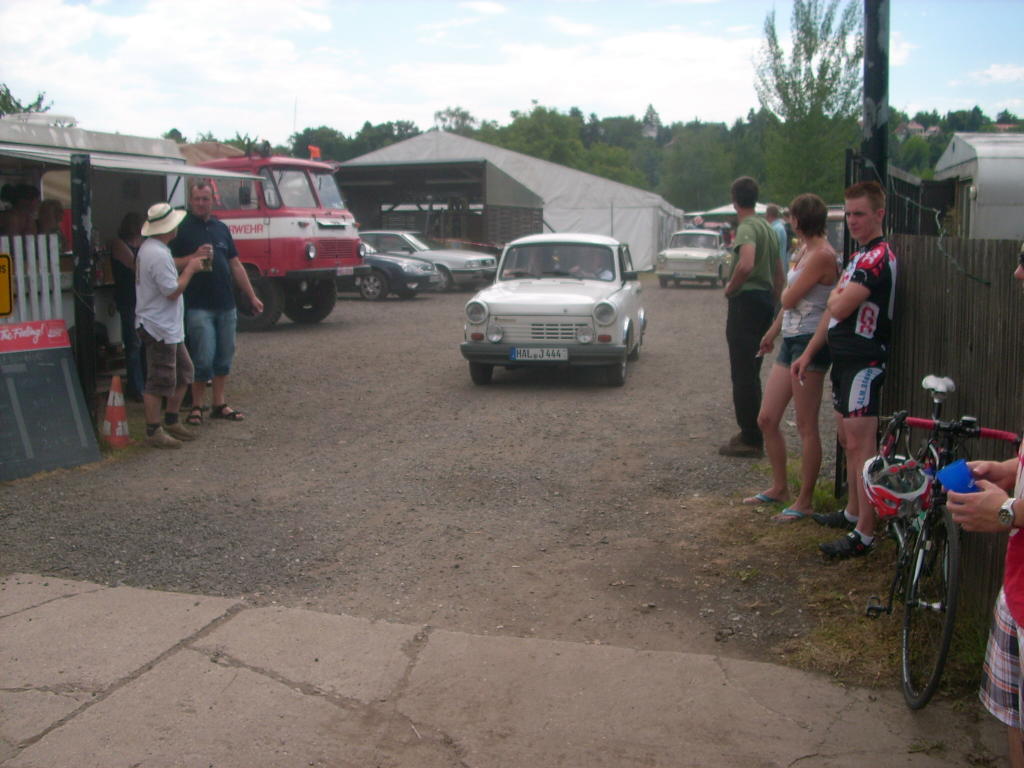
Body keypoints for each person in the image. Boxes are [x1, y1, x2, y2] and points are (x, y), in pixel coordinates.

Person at [946, 242, 1024, 768]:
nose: (1016, 272)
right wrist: (1009, 470)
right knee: (1016, 726)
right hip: (1018, 590)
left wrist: (1008, 511)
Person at [793, 181, 896, 558]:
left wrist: (838, 295)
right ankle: (853, 511)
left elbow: (838, 306)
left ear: (879, 214)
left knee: (860, 445)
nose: (852, 221)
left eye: (860, 214)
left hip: (864, 359)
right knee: (846, 438)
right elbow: (832, 310)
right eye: (849, 213)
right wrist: (809, 352)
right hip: (844, 358)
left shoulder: (877, 257)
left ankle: (865, 532)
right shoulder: (857, 256)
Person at [745, 193, 841, 519]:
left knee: (805, 424)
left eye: (791, 217)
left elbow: (788, 297)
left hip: (810, 342)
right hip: (791, 338)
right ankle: (779, 487)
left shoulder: (822, 256)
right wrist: (773, 332)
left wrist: (785, 296)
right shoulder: (803, 251)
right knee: (767, 418)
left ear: (798, 220)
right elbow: (788, 303)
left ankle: (805, 500)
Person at [170, 182, 263, 426]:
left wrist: (252, 296)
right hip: (198, 304)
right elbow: (169, 263)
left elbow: (235, 264)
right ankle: (196, 405)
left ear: (213, 201)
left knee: (224, 355)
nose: (201, 203)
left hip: (226, 303)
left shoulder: (221, 228)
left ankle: (219, 403)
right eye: (197, 199)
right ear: (191, 201)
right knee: (203, 357)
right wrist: (193, 257)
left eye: (206, 199)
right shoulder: (181, 229)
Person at [719, 176, 783, 458]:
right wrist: (775, 305)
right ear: (755, 200)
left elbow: (745, 264)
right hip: (765, 301)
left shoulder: (746, 227)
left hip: (746, 302)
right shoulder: (768, 227)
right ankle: (754, 429)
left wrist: (730, 288)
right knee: (753, 370)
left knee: (742, 372)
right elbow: (779, 273)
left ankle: (750, 437)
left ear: (735, 201)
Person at [135, 202, 205, 448]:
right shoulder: (156, 253)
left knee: (184, 372)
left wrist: (189, 261)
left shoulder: (153, 249)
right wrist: (192, 269)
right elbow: (172, 290)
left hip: (164, 325)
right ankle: (154, 429)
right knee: (159, 379)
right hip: (159, 326)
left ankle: (171, 420)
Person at [110, 212, 145, 401]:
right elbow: (135, 265)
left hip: (143, 300)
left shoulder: (144, 244)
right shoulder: (119, 244)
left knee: (144, 343)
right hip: (128, 298)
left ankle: (144, 384)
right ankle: (135, 387)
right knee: (133, 344)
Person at [766, 203, 789, 276]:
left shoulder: (775, 229)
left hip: (775, 270)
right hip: (779, 268)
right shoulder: (779, 227)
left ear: (768, 214)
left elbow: (773, 250)